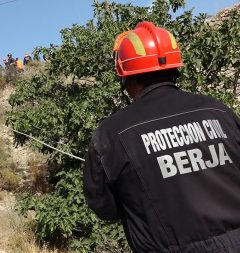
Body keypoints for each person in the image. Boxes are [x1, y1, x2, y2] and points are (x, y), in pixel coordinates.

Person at [83, 21, 240, 253]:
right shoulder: (218, 110)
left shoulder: (111, 133)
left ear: (126, 78)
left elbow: (104, 206)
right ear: (175, 67)